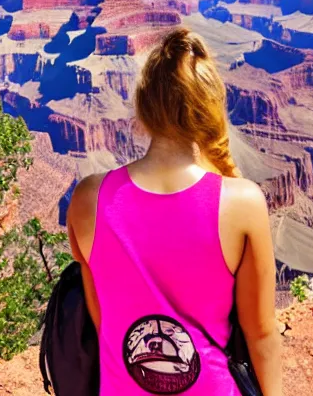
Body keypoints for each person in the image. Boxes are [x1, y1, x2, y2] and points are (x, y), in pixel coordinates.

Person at [67, 27, 282, 396]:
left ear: (143, 109)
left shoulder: (88, 198)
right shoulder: (243, 203)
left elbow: (104, 324)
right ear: (211, 107)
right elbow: (260, 333)